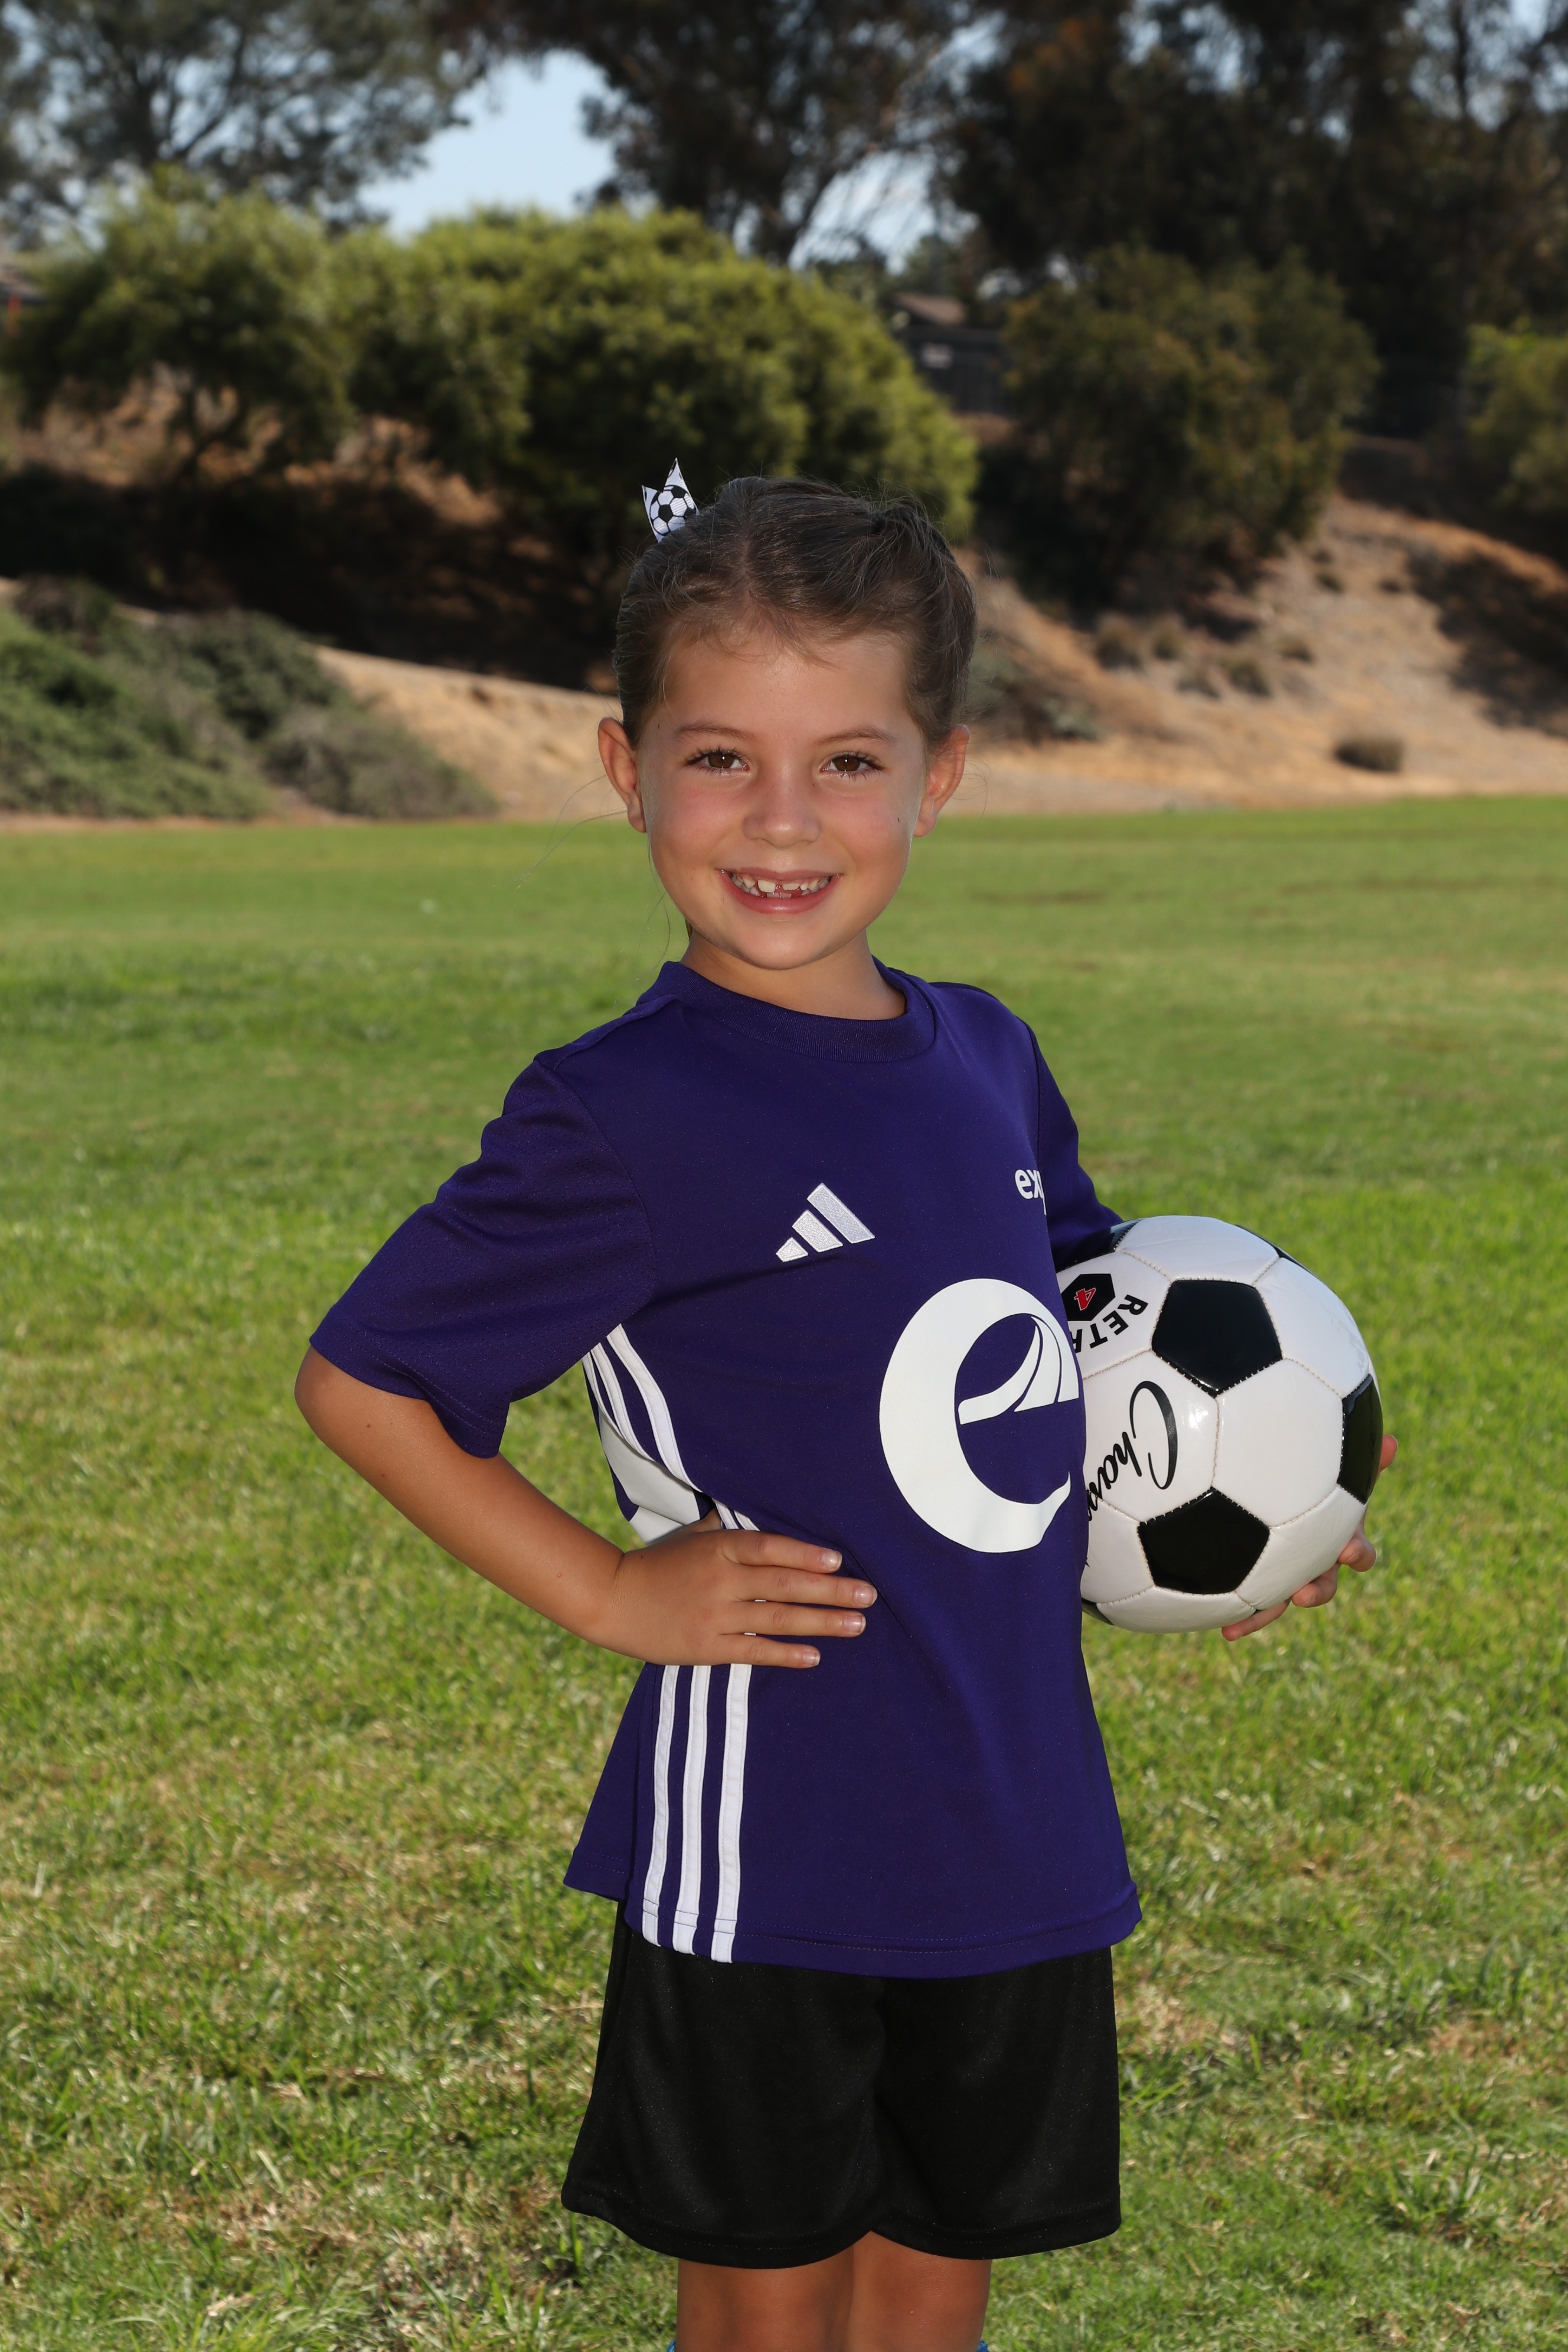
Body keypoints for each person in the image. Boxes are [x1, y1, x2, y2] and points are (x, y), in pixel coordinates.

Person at [295, 476, 1391, 2352]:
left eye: (849, 762)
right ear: (627, 769)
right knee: (769, 2307)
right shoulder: (621, 1112)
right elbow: (368, 1380)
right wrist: (609, 1592)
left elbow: (1082, 1337)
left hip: (1016, 1827)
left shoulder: (990, 1058)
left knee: (931, 2291)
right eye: (720, 757)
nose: (783, 820)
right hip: (773, 1840)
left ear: (939, 775)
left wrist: (1247, 1511)